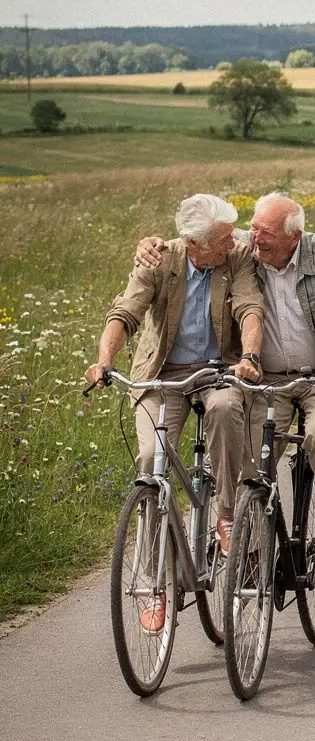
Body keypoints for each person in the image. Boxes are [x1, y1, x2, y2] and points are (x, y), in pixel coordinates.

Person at [135, 193, 315, 561]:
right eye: (255, 228)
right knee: (246, 458)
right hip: (267, 381)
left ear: (294, 236)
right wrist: (150, 245)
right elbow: (198, 239)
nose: (255, 237)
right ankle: (250, 549)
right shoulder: (244, 248)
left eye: (266, 232)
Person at [85, 194, 264, 631]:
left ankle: (224, 513)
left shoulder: (235, 257)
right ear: (194, 242)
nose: (232, 243)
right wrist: (104, 359)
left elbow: (249, 308)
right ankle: (153, 582)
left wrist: (251, 356)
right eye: (223, 239)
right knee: (150, 461)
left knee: (224, 407)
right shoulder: (159, 259)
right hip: (161, 373)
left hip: (219, 370)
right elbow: (125, 313)